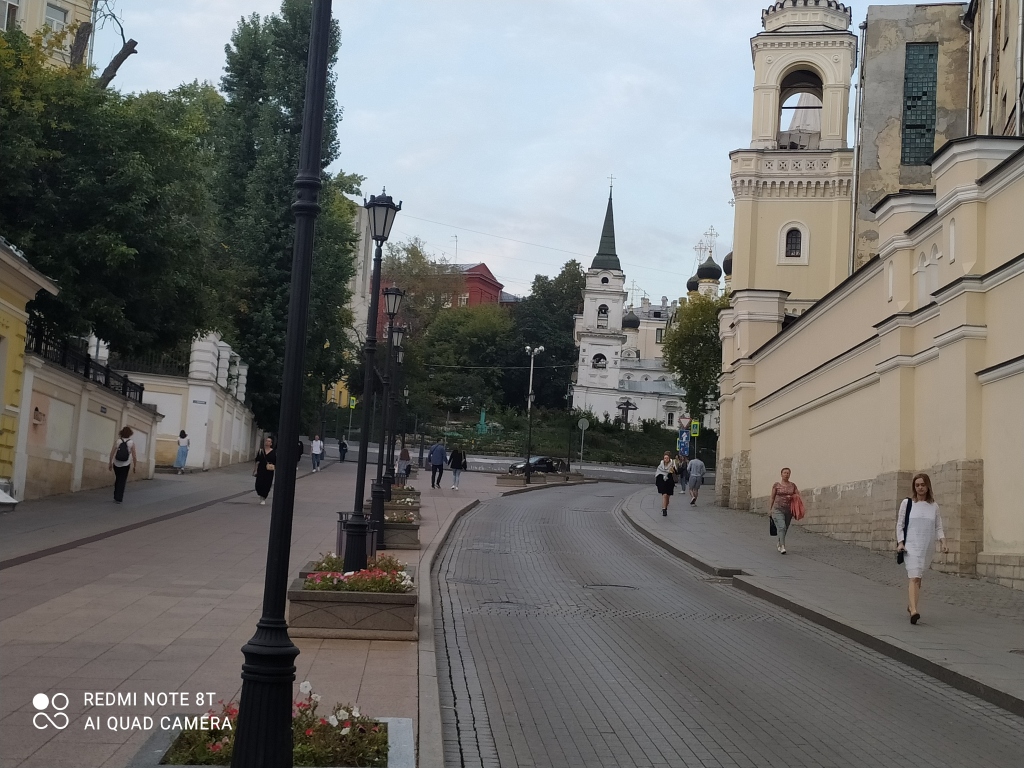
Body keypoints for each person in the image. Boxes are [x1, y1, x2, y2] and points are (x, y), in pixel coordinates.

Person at [896, 473, 947, 625]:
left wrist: (943, 542)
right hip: (911, 545)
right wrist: (900, 542)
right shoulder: (907, 503)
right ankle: (914, 611)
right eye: (917, 485)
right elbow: (900, 524)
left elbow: (938, 527)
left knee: (918, 578)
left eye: (922, 485)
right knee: (914, 576)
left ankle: (911, 604)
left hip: (927, 546)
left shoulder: (934, 506)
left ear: (928, 486)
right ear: (914, 487)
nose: (920, 488)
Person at [768, 467, 799, 554]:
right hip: (778, 509)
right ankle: (782, 546)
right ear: (781, 474)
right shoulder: (776, 485)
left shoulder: (793, 485)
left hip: (789, 511)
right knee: (782, 527)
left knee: (785, 528)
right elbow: (772, 497)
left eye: (788, 473)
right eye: (784, 473)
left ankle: (779, 542)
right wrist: (770, 509)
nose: (786, 474)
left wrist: (792, 496)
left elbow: (798, 495)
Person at [108, 426, 138, 504]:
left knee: (118, 479)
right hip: (126, 464)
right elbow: (134, 455)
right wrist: (135, 465)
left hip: (116, 463)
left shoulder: (118, 441)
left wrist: (110, 463)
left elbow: (112, 453)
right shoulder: (131, 442)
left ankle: (115, 494)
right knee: (122, 480)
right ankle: (119, 497)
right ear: (130, 434)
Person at [254, 437, 277, 505]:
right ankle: (260, 494)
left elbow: (275, 462)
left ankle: (263, 497)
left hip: (269, 471)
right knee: (258, 483)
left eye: (269, 441)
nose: (267, 442)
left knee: (267, 484)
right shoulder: (261, 451)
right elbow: (257, 460)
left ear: (271, 443)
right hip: (261, 469)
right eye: (266, 441)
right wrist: (255, 470)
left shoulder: (273, 452)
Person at [655, 452, 676, 516]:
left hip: (670, 482)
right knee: (664, 495)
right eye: (665, 458)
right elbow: (658, 473)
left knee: (668, 497)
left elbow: (677, 472)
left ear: (669, 458)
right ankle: (664, 509)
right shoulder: (661, 465)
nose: (666, 459)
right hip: (662, 482)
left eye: (667, 458)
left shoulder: (673, 464)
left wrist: (674, 470)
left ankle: (666, 506)